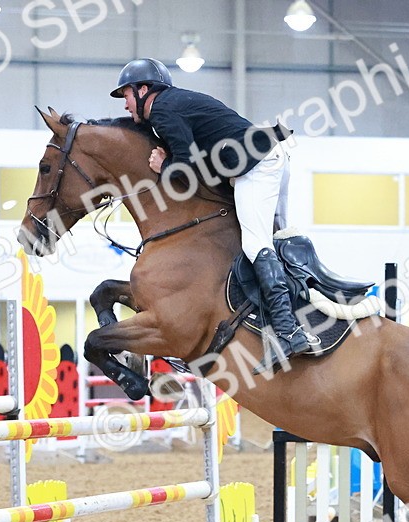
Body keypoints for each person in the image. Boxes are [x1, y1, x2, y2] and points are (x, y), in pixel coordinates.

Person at [112, 57, 308, 374]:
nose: (125, 105)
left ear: (144, 89)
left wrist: (165, 166)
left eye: (126, 95)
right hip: (265, 157)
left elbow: (190, 166)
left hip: (257, 165)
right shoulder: (170, 106)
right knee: (274, 241)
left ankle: (289, 332)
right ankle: (293, 314)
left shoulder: (162, 110)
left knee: (256, 244)